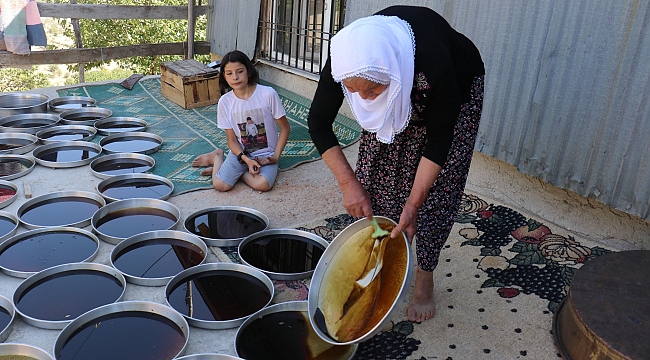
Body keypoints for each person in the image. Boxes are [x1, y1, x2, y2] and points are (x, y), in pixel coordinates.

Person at [307, 5, 485, 323]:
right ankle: (379, 260)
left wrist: (413, 204)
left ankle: (425, 276)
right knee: (374, 179)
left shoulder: (435, 66)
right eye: (354, 91)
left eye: (373, 91)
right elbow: (318, 123)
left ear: (388, 75)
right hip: (397, 80)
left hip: (454, 86)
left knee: (435, 196)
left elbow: (439, 143)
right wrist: (349, 185)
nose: (364, 99)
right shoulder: (348, 59)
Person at [192, 50, 290, 192]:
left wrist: (275, 157)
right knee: (220, 185)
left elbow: (285, 128)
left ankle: (236, 174)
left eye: (239, 71)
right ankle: (217, 157)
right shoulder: (225, 102)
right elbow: (232, 140)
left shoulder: (268, 94)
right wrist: (247, 160)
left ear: (249, 72)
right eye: (229, 73)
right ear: (224, 77)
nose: (235, 77)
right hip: (241, 155)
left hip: (266, 156)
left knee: (263, 185)